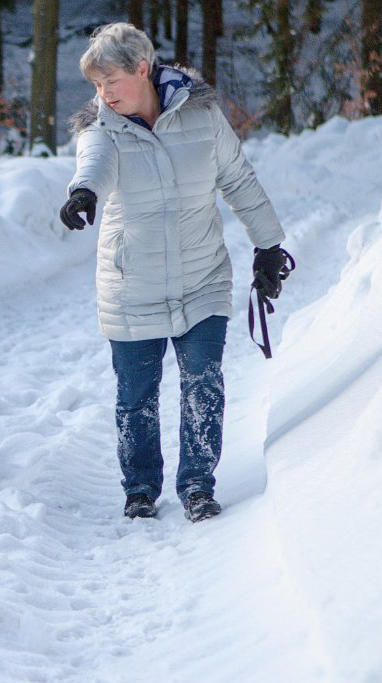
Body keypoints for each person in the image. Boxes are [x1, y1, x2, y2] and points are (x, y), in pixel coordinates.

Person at [60, 22, 290, 522]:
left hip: (201, 274)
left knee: (203, 381)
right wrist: (84, 193)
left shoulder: (202, 115)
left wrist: (269, 245)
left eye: (110, 81)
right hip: (130, 283)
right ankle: (140, 488)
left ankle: (197, 486)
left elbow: (238, 179)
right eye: (96, 86)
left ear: (142, 69)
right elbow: (94, 163)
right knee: (135, 396)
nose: (103, 94)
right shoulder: (102, 128)